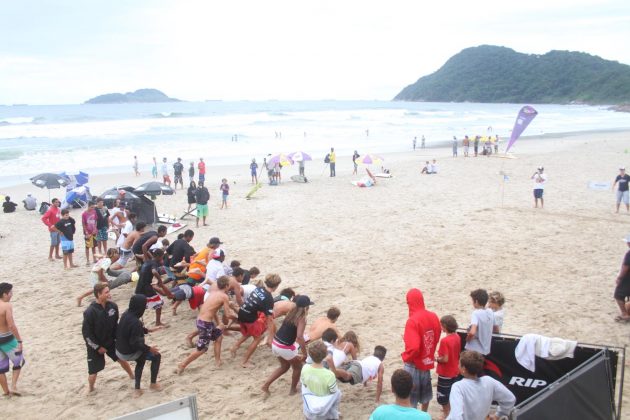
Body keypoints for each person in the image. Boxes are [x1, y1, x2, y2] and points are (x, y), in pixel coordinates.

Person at [82, 283, 134, 393]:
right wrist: (97, 347)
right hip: (95, 345)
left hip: (110, 341)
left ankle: (132, 375)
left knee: (121, 359)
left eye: (108, 291)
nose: (109, 294)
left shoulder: (113, 307)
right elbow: (87, 334)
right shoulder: (90, 312)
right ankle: (91, 388)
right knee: (93, 372)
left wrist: (120, 338)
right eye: (106, 292)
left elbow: (116, 326)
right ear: (98, 294)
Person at [176, 276, 233, 372]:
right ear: (227, 286)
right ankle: (182, 364)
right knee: (202, 349)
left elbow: (212, 309)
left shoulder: (213, 293)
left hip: (202, 321)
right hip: (205, 323)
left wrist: (219, 323)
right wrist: (238, 316)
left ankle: (218, 361)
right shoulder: (224, 296)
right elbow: (228, 314)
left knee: (219, 337)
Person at [262, 295, 313, 395]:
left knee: (284, 366)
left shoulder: (291, 313)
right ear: (306, 307)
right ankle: (293, 390)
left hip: (276, 343)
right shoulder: (302, 318)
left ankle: (265, 385)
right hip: (283, 346)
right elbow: (299, 337)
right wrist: (304, 353)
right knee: (298, 367)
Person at [402, 288, 441, 412]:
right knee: (425, 394)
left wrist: (405, 357)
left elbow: (414, 347)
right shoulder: (433, 316)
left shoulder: (412, 320)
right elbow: (437, 333)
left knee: (410, 397)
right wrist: (429, 352)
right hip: (426, 360)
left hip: (413, 363)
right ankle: (424, 415)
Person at [231, 274, 282, 368]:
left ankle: (235, 346)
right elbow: (269, 319)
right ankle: (244, 361)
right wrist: (271, 335)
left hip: (242, 312)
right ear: (276, 286)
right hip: (249, 317)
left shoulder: (259, 288)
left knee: (250, 332)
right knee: (258, 338)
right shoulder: (269, 299)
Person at [115, 294, 162, 396]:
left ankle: (138, 388)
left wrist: (148, 330)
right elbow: (136, 344)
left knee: (142, 356)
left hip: (119, 349)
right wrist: (149, 349)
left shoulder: (126, 313)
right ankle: (150, 385)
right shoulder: (136, 322)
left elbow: (130, 330)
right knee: (155, 356)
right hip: (127, 352)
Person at [447, 351, 516, 420]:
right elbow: (510, 399)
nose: (458, 365)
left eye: (459, 363)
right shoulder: (489, 381)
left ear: (464, 369)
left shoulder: (458, 387)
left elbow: (456, 416)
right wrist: (499, 414)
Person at [301, 341, 342, 420]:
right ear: (325, 355)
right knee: (339, 393)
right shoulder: (329, 375)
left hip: (310, 406)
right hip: (324, 408)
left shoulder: (305, 368)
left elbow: (304, 384)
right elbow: (334, 392)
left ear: (310, 355)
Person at [136, 248, 173, 326]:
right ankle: (158, 322)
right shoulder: (154, 263)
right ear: (159, 256)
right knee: (158, 303)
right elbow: (154, 271)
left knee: (140, 305)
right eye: (162, 257)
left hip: (139, 286)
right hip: (146, 287)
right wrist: (159, 280)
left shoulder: (147, 261)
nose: (162, 259)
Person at [0, 283, 24, 396]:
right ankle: (13, 386)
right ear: (4, 294)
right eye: (10, 292)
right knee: (19, 359)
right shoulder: (6, 306)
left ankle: (6, 392)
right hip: (6, 338)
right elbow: (11, 325)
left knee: (1, 367)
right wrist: (19, 340)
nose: (11, 295)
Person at [436, 315, 461, 418]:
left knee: (442, 397)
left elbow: (445, 359)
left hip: (445, 372)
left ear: (445, 326)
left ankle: (447, 414)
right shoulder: (457, 336)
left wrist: (436, 359)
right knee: (451, 394)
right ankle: (449, 412)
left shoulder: (445, 341)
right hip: (455, 370)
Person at [465, 289, 494, 356]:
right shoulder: (490, 312)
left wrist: (467, 339)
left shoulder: (476, 313)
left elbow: (472, 332)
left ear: (476, 302)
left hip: (474, 348)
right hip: (485, 349)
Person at [614, 235, 630, 322]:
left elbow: (625, 267)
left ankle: (624, 314)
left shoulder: (629, 254)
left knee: (618, 295)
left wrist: (619, 278)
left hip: (628, 279)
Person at [82, 201, 98, 265]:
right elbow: (83, 224)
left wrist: (95, 228)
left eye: (93, 207)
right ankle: (88, 260)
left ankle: (94, 259)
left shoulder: (94, 212)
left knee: (94, 246)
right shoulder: (84, 214)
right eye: (91, 207)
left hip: (94, 231)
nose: (93, 208)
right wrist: (86, 232)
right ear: (88, 206)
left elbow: (96, 221)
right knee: (87, 246)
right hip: (87, 232)